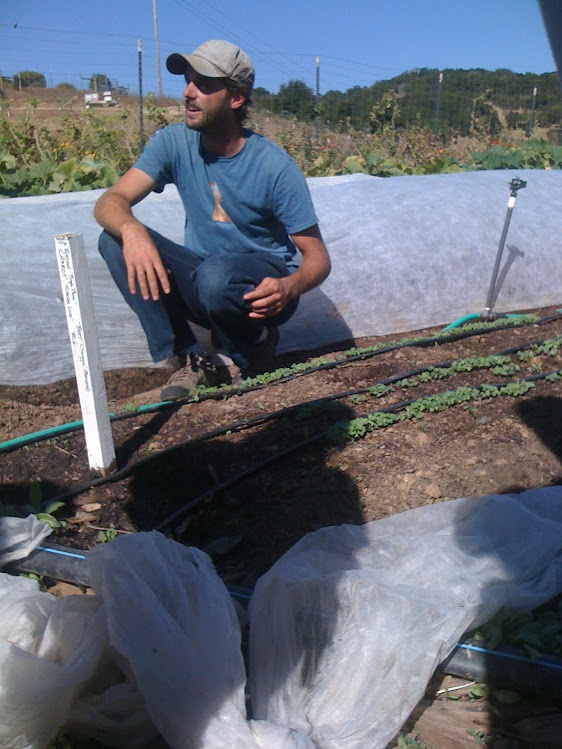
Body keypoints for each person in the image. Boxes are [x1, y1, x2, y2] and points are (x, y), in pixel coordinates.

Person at [94, 39, 331, 400]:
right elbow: (110, 201)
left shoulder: (273, 166)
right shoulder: (173, 143)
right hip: (205, 277)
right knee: (112, 239)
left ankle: (254, 347)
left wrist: (290, 287)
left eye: (203, 84)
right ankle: (192, 359)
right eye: (188, 81)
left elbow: (318, 259)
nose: (188, 93)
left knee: (216, 275)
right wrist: (131, 229)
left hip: (261, 290)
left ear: (236, 98)